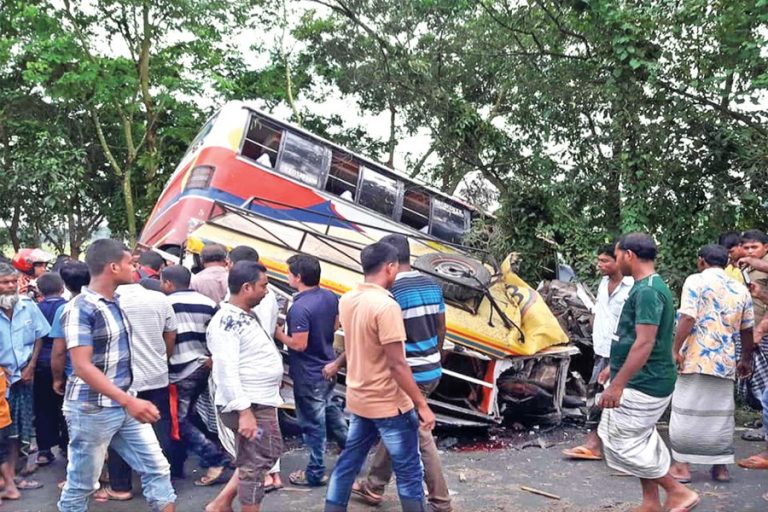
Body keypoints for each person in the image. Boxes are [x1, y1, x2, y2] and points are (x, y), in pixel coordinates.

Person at [57, 239, 176, 512]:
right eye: (129, 264)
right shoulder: (80, 308)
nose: (135, 269)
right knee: (82, 485)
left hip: (123, 404)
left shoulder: (117, 301)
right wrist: (128, 401)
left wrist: (127, 401)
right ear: (113, 267)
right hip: (91, 409)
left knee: (157, 468)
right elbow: (82, 366)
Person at [324, 242, 436, 512]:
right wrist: (422, 405)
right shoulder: (386, 306)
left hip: (360, 398)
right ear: (389, 267)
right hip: (389, 403)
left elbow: (353, 345)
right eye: (396, 266)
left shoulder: (348, 299)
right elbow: (397, 364)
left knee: (348, 462)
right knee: (409, 471)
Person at [597, 233, 699, 512]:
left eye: (617, 255)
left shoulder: (647, 291)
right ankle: (651, 503)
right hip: (646, 377)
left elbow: (645, 342)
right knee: (640, 439)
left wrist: (618, 385)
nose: (616, 261)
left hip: (645, 382)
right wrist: (613, 368)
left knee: (619, 439)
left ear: (629, 255)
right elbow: (634, 339)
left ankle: (676, 491)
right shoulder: (650, 286)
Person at [668, 244, 754, 483]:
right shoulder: (740, 288)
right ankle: (720, 468)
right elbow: (748, 330)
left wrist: (675, 349)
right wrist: (745, 359)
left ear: (701, 261)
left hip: (695, 356)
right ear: (727, 263)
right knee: (721, 414)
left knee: (686, 411)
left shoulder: (695, 281)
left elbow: (687, 316)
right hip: (725, 360)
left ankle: (682, 467)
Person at [207, 261, 284, 512]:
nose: (267, 291)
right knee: (255, 463)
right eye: (263, 286)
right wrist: (244, 412)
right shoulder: (225, 323)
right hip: (249, 408)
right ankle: (229, 505)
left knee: (262, 452)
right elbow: (225, 371)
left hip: (259, 404)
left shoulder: (244, 315)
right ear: (246, 287)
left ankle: (221, 503)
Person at [94, 278, 178, 502]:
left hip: (121, 381)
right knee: (160, 426)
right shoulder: (160, 299)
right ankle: (166, 478)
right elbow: (170, 334)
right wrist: (162, 358)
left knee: (119, 431)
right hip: (156, 375)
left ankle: (121, 486)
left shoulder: (107, 302)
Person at [272, 254, 347, 487]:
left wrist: (278, 333)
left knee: (313, 425)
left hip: (309, 374)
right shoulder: (329, 296)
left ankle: (315, 472)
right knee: (332, 413)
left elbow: (299, 344)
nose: (287, 276)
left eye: (289, 273)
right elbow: (336, 325)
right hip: (327, 366)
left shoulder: (300, 308)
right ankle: (353, 449)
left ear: (298, 277)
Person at [563, 243, 633, 461]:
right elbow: (597, 311)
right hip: (602, 350)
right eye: (599, 260)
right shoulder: (603, 283)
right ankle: (593, 444)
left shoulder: (632, 286)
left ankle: (624, 450)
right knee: (594, 396)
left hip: (624, 351)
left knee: (624, 399)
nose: (599, 265)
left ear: (619, 261)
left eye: (605, 261)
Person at [160, 265, 229, 483]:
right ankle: (213, 451)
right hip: (202, 365)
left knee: (178, 420)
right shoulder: (209, 303)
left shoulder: (165, 304)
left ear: (168, 283)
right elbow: (218, 334)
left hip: (180, 369)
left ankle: (214, 457)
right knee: (189, 414)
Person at [0, 262, 47, 496]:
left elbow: (39, 336)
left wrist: (31, 366)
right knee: (3, 433)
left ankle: (13, 476)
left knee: (20, 431)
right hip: (1, 384)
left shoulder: (28, 307)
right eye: (4, 282)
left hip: (24, 380)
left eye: (12, 282)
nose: (9, 287)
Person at [33, 272, 69, 467]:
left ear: (39, 290)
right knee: (66, 406)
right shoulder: (66, 307)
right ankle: (67, 445)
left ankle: (44, 451)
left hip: (40, 363)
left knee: (43, 407)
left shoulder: (35, 308)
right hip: (63, 361)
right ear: (62, 288)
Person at [51, 261, 91, 396]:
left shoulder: (64, 310)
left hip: (74, 374)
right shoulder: (105, 304)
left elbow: (59, 351)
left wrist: (57, 378)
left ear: (65, 285)